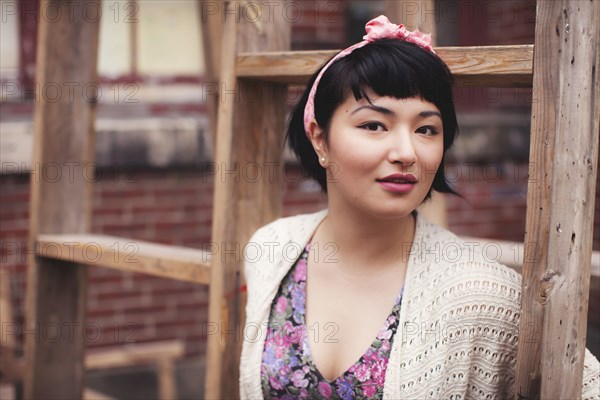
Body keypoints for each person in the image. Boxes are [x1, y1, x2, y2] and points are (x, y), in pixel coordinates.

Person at [239, 15, 599, 399]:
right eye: (374, 125)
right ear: (320, 140)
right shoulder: (272, 248)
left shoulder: (481, 292)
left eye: (426, 129)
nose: (406, 153)